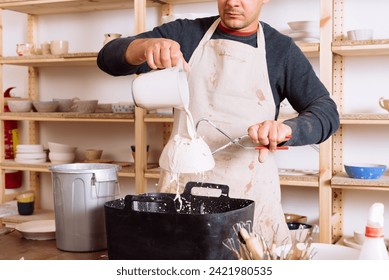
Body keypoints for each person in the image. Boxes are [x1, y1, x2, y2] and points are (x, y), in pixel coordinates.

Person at [97, 0, 340, 247]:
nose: (233, 2)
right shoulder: (185, 35)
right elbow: (107, 58)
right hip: (181, 198)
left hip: (250, 201)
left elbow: (326, 113)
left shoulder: (281, 50)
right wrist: (144, 46)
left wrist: (288, 129)